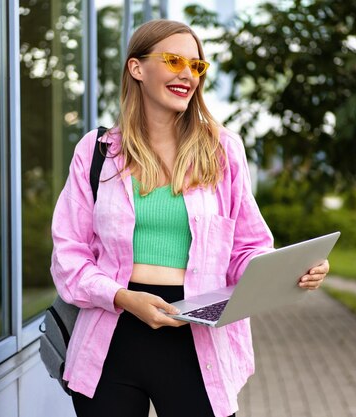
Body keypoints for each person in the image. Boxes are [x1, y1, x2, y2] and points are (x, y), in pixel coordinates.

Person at [50, 19, 330, 417]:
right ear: (137, 68)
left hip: (198, 341)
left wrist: (289, 270)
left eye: (197, 66)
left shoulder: (223, 150)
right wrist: (123, 297)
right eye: (174, 60)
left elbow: (246, 248)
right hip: (110, 338)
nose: (188, 74)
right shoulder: (97, 152)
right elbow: (68, 256)